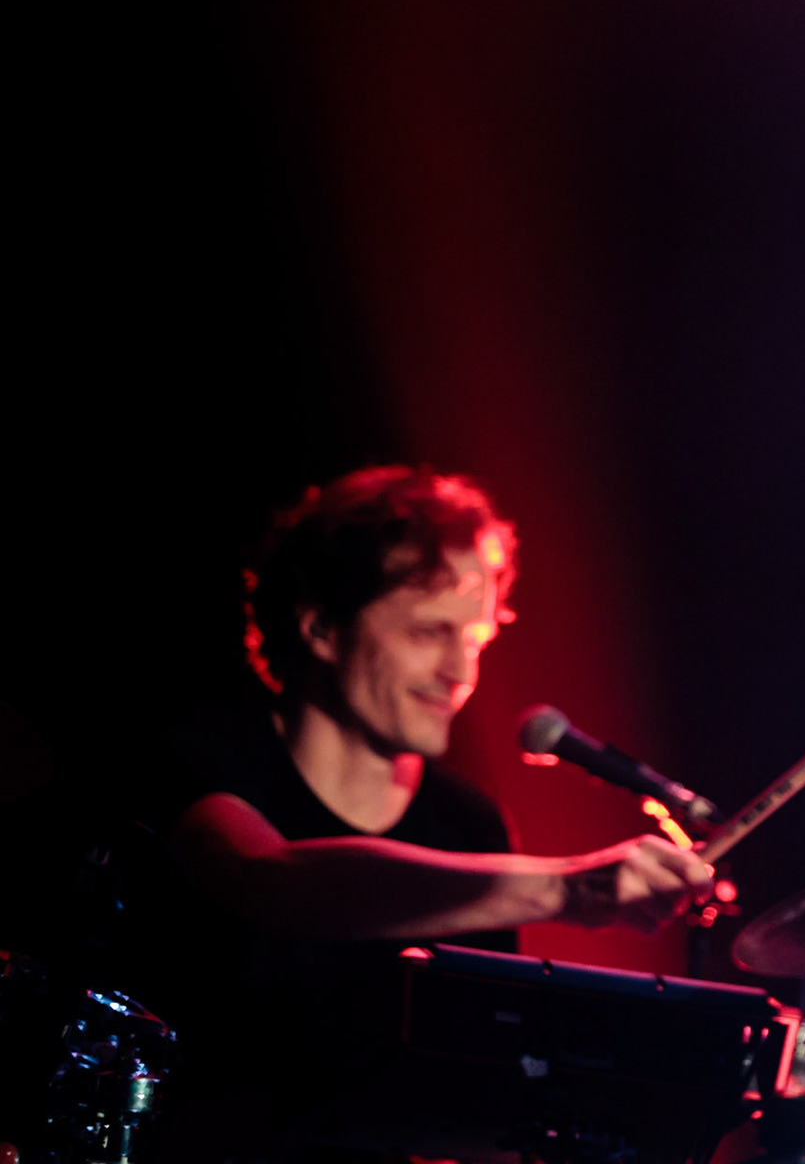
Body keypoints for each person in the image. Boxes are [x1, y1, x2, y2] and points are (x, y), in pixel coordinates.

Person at [138, 466, 714, 1159]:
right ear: (320, 625)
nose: (460, 671)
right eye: (428, 633)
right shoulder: (206, 759)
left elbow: (473, 1081)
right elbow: (267, 878)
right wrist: (567, 887)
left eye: (474, 640)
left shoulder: (468, 823)